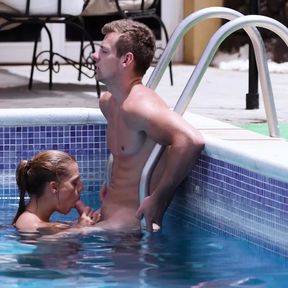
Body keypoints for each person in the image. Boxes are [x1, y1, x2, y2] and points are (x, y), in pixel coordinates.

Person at [90, 19, 205, 232]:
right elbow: (131, 154)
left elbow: (190, 140)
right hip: (108, 219)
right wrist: (112, 182)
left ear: (126, 60)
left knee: (39, 242)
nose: (94, 55)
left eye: (104, 52)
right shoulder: (108, 103)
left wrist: (160, 198)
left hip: (132, 229)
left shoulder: (139, 105)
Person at [13, 150, 100, 234]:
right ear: (54, 187)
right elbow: (48, 243)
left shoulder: (42, 224)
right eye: (74, 183)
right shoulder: (28, 223)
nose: (82, 187)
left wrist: (83, 222)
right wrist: (80, 229)